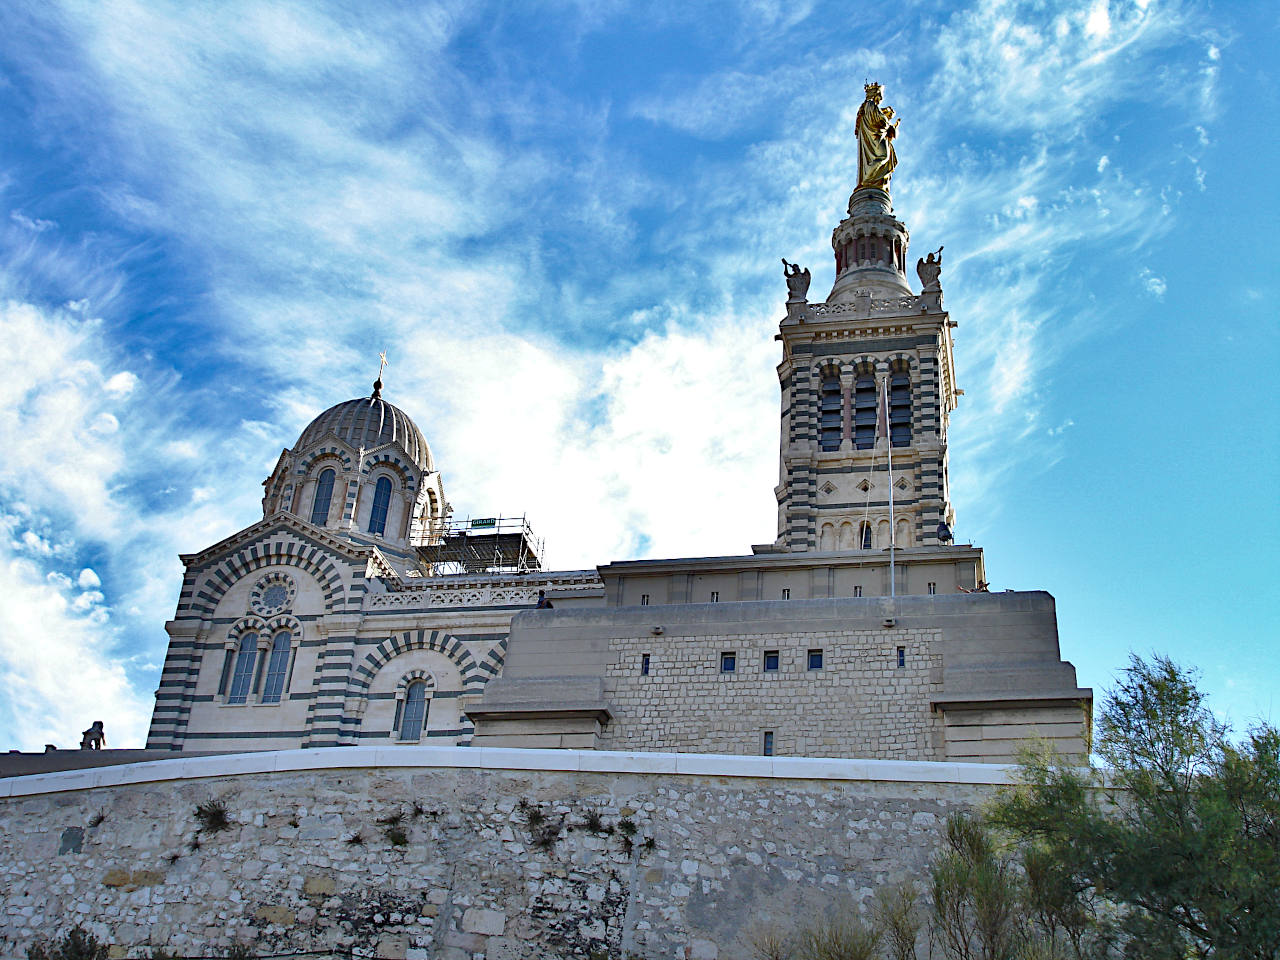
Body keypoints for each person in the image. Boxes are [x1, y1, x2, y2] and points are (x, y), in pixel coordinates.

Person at [856, 83, 899, 191]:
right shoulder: (869, 105)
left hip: (876, 138)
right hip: (875, 139)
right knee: (883, 157)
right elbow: (879, 121)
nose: (881, 98)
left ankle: (871, 180)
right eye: (880, 95)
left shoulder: (868, 106)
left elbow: (878, 118)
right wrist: (888, 121)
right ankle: (868, 179)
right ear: (875, 95)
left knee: (883, 158)